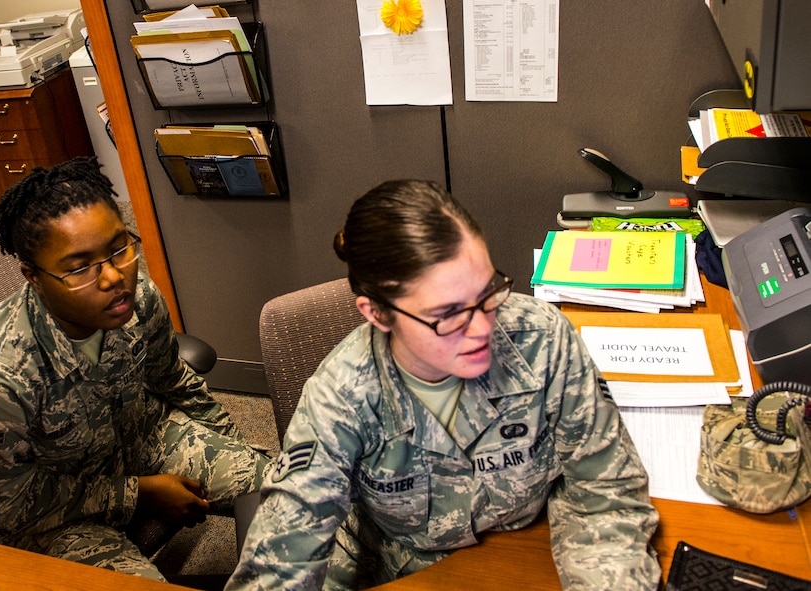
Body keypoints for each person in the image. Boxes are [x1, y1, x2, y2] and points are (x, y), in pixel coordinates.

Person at [227, 179, 661, 590]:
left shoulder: (543, 339)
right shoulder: (342, 395)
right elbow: (283, 550)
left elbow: (604, 489)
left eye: (488, 290)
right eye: (449, 313)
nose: (482, 328)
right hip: (398, 566)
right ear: (377, 314)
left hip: (524, 546)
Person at [0, 157, 270, 580]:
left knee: (289, 492)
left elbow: (173, 379)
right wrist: (137, 494)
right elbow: (1, 505)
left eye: (119, 249)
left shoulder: (138, 298)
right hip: (48, 509)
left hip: (139, 437)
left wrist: (235, 450)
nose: (114, 277)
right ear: (33, 277)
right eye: (78, 267)